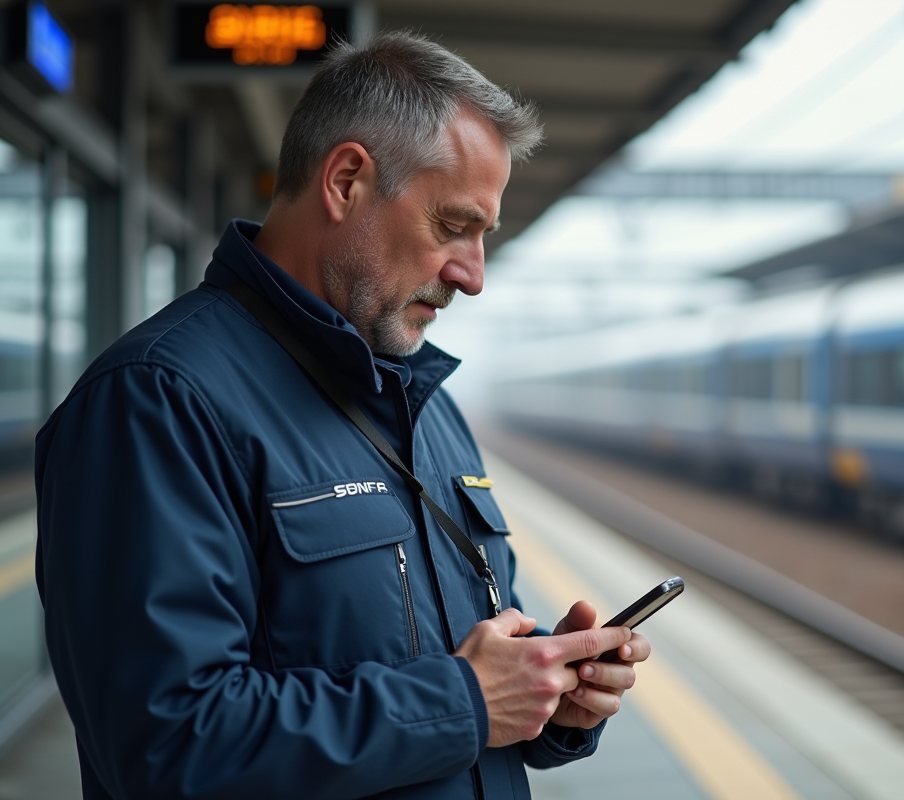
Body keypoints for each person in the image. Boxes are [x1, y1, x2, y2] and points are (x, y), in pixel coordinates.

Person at [35, 32, 651, 800]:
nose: (474, 275)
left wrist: (548, 694)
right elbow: (164, 746)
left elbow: (473, 670)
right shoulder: (157, 401)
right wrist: (462, 703)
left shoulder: (427, 405)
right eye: (454, 227)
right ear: (348, 181)